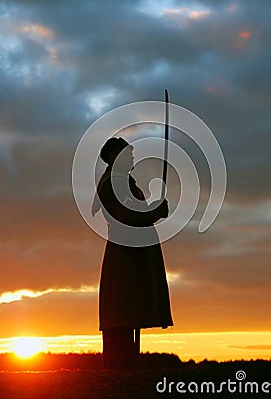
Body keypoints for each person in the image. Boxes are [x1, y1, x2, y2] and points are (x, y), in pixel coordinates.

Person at [92, 137, 173, 369]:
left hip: (132, 252)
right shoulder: (113, 182)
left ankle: (128, 364)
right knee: (123, 310)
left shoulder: (122, 181)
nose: (131, 156)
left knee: (128, 309)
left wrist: (151, 211)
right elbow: (126, 216)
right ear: (113, 157)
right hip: (125, 254)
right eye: (126, 153)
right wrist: (154, 212)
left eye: (131, 152)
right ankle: (121, 366)